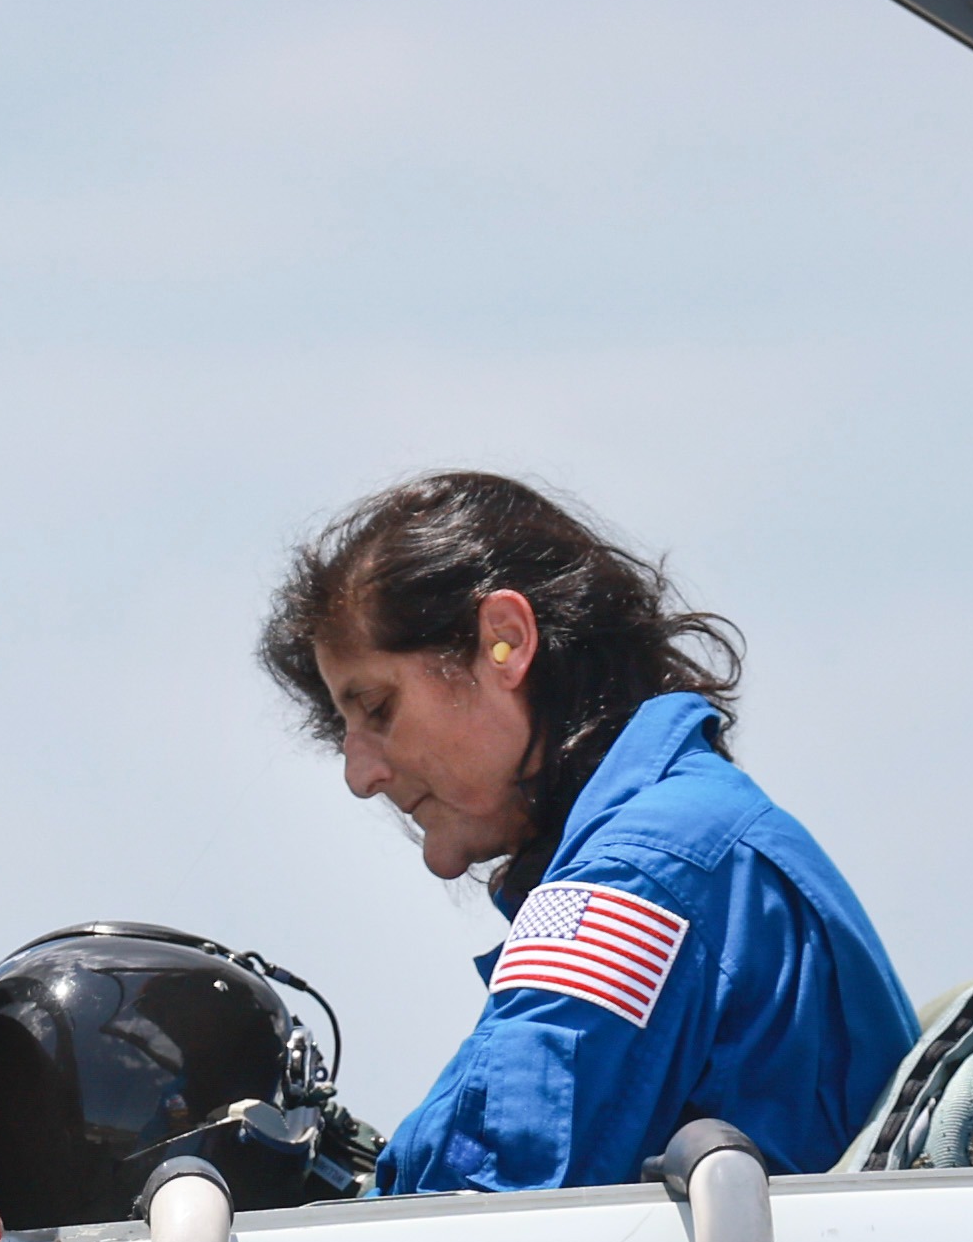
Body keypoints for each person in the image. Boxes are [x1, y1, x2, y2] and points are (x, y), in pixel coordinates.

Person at [263, 473, 908, 1193]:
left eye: (377, 707)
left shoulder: (646, 869)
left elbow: (479, 1217)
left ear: (505, 643)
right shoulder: (678, 844)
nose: (360, 775)